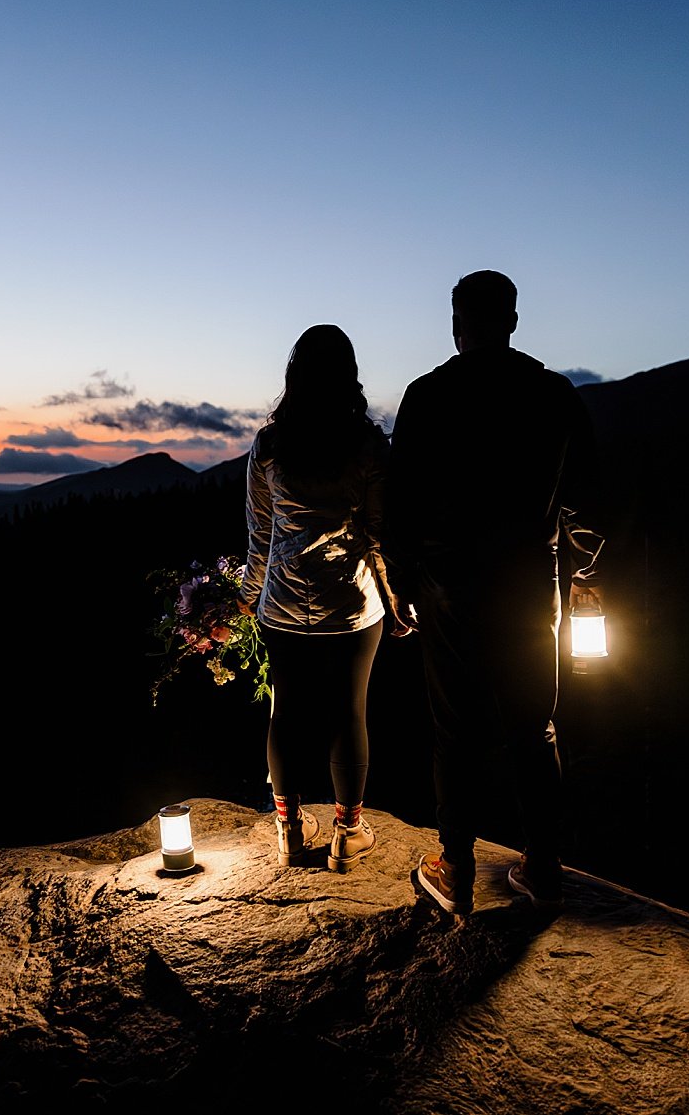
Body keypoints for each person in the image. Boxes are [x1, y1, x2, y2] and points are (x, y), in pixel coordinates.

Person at [388, 269, 605, 916]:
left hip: (448, 582)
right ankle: (542, 863)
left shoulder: (427, 395)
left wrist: (400, 582)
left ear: (457, 325)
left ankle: (453, 864)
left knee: (454, 727)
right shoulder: (554, 395)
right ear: (512, 321)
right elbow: (584, 500)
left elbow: (401, 501)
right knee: (534, 723)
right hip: (529, 581)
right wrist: (587, 577)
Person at [241, 324, 414, 874]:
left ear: (293, 375)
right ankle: (346, 833)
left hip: (285, 599)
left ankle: (289, 832)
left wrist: (250, 594)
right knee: (350, 711)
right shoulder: (367, 448)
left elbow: (261, 535)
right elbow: (382, 533)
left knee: (286, 712)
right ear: (349, 377)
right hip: (352, 603)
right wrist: (397, 596)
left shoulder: (269, 446)